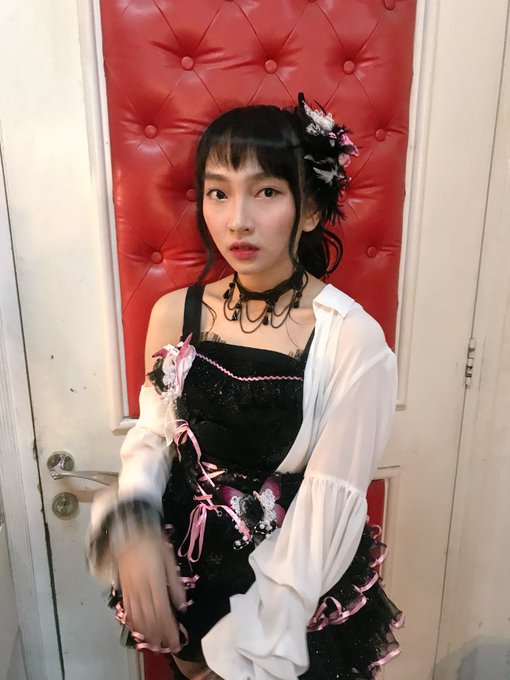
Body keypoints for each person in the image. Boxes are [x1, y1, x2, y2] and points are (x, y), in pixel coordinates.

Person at [87, 93, 403, 680]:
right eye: (218, 192)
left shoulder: (352, 339)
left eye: (266, 192)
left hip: (290, 597)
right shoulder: (175, 312)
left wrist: (253, 645)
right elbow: (156, 433)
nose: (237, 220)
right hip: (192, 575)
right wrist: (134, 520)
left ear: (310, 210)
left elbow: (328, 503)